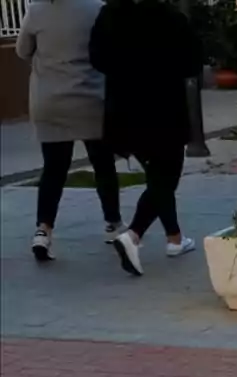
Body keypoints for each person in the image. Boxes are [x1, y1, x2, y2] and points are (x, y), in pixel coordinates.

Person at [89, 0, 204, 276]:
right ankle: (134, 235)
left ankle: (175, 238)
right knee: (166, 176)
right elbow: (193, 62)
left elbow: (97, 58)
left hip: (123, 109)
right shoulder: (170, 17)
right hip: (163, 109)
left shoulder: (110, 14)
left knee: (158, 175)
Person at [16, 0, 124, 263]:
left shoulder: (37, 10)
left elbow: (22, 51)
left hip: (50, 101)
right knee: (103, 164)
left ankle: (43, 230)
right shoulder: (97, 8)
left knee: (53, 169)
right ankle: (113, 224)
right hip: (91, 98)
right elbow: (109, 51)